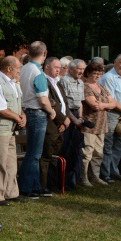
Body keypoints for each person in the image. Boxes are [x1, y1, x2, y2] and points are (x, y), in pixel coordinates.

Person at [0, 56, 27, 206]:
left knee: (10, 163)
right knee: (0, 163)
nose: (19, 71)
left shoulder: (14, 83)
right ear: (9, 68)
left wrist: (23, 116)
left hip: (10, 129)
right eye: (18, 68)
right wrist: (17, 117)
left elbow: (17, 103)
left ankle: (11, 193)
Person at [18, 41, 50, 199]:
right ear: (45, 53)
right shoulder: (38, 72)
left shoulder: (24, 68)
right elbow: (43, 99)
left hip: (27, 111)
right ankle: (27, 187)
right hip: (37, 112)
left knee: (32, 152)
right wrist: (51, 112)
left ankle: (35, 185)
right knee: (34, 153)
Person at [81, 62, 117, 186]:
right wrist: (106, 105)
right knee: (87, 153)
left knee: (98, 153)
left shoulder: (102, 87)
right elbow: (93, 104)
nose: (97, 76)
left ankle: (95, 176)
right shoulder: (85, 87)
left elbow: (114, 103)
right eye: (95, 73)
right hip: (89, 124)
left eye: (99, 74)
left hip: (102, 124)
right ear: (88, 73)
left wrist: (103, 105)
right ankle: (84, 177)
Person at [39, 57, 70, 195]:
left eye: (60, 67)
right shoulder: (44, 81)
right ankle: (43, 185)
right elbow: (51, 104)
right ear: (46, 67)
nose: (58, 70)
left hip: (62, 124)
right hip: (51, 123)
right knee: (46, 155)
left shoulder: (58, 82)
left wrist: (66, 119)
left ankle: (53, 184)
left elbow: (64, 103)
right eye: (55, 67)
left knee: (56, 155)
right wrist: (62, 120)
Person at [98, 53, 121, 183]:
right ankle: (105, 173)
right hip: (111, 113)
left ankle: (113, 170)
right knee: (108, 143)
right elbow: (112, 101)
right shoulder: (108, 77)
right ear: (115, 62)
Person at [59, 59, 86, 189]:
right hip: (67, 115)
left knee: (76, 148)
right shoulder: (64, 81)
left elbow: (80, 101)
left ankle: (73, 180)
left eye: (83, 69)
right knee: (66, 148)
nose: (81, 71)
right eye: (79, 69)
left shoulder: (80, 82)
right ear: (71, 69)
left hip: (76, 115)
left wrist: (80, 117)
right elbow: (64, 103)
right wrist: (74, 120)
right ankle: (63, 181)